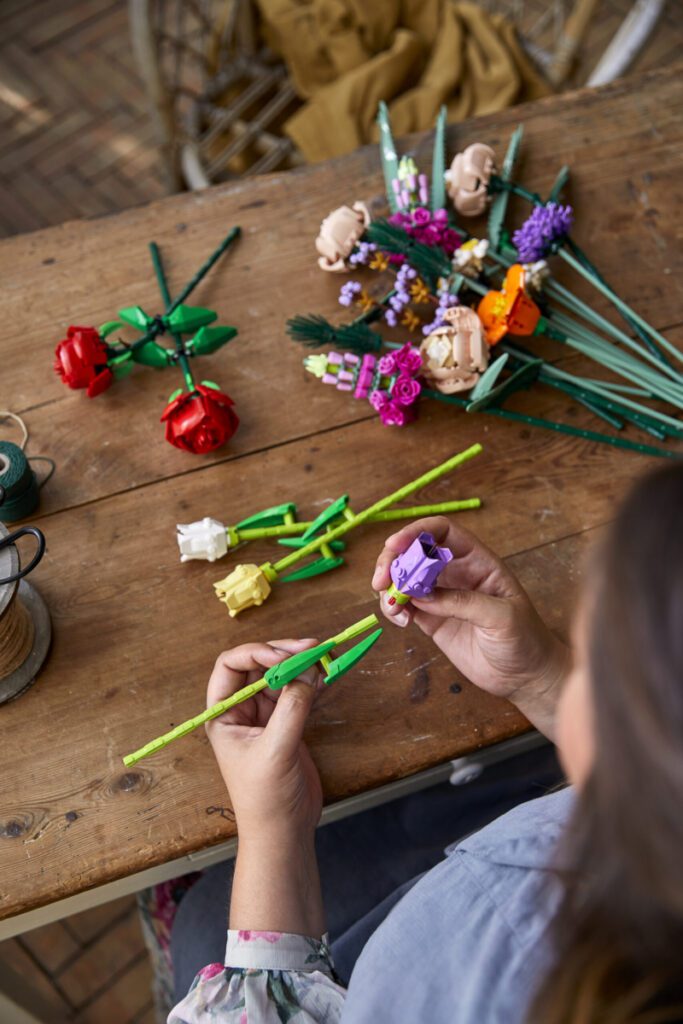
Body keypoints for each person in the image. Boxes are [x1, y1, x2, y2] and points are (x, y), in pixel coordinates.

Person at [169, 464, 683, 1024]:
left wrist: (271, 831)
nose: (584, 676)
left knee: (197, 923)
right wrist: (545, 679)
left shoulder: (494, 974)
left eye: (595, 665)